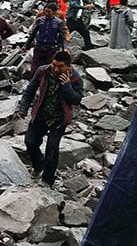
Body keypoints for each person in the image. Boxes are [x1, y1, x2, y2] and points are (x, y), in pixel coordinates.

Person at [15, 51, 83, 188]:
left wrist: (67, 86)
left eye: (61, 66)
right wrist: (23, 109)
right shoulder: (43, 71)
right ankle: (38, 165)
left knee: (52, 149)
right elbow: (30, 90)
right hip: (41, 114)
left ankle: (47, 180)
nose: (56, 69)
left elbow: (76, 100)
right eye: (54, 65)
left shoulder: (75, 78)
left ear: (69, 66)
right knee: (30, 142)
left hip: (59, 119)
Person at [22, 3, 67, 75]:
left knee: (48, 69)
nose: (46, 13)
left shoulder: (59, 22)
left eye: (49, 12)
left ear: (54, 12)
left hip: (51, 49)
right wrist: (25, 45)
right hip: (39, 47)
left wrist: (64, 48)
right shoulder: (40, 20)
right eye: (45, 11)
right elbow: (33, 34)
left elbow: (62, 37)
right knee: (35, 67)